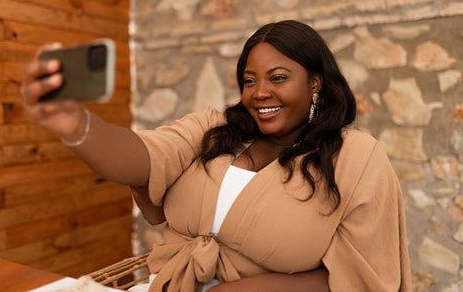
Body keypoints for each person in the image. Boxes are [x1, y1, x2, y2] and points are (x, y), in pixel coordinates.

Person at [21, 20, 412, 292]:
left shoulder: (355, 158)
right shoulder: (214, 130)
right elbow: (141, 158)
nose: (260, 92)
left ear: (314, 82)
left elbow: (364, 279)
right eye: (249, 80)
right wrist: (79, 127)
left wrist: (242, 290)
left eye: (278, 78)